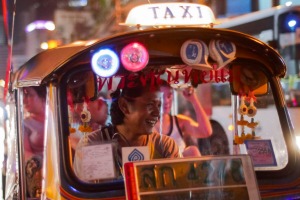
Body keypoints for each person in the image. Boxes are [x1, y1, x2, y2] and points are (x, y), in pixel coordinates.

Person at [73, 76, 179, 181]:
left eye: (159, 105)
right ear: (124, 106)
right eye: (150, 105)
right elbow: (94, 194)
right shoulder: (95, 144)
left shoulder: (165, 146)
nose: (157, 113)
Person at [155, 80, 212, 157]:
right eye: (161, 97)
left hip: (180, 167)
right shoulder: (145, 126)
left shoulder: (179, 121)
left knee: (193, 151)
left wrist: (194, 100)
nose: (166, 101)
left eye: (169, 96)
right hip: (156, 167)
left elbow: (206, 132)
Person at [22, 86, 46, 198]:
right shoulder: (25, 124)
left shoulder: (55, 116)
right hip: (40, 175)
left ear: (41, 97)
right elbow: (26, 153)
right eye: (24, 95)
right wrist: (40, 164)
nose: (24, 100)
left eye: (29, 95)